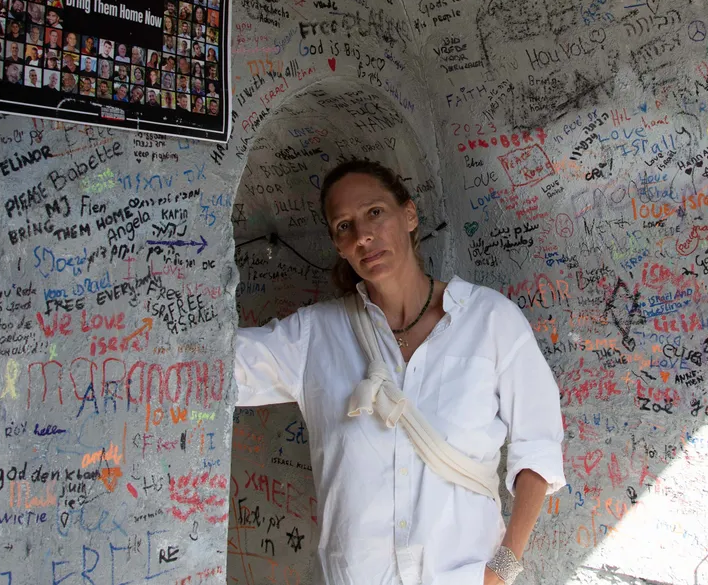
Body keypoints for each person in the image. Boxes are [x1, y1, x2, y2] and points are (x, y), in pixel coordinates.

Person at [234, 159, 564, 585]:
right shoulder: (313, 336)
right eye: (344, 226)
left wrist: (502, 570)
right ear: (339, 246)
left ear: (409, 215)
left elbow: (537, 447)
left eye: (375, 212)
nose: (363, 235)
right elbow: (217, 367)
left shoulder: (490, 321)